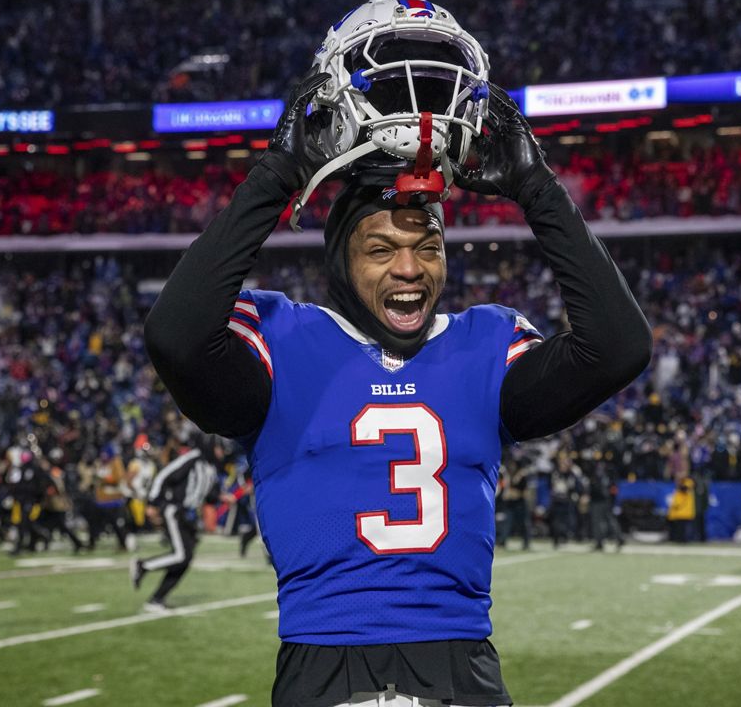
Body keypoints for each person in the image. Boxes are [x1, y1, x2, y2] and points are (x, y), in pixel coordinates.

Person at [145, 73, 651, 707]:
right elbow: (174, 334)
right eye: (381, 247)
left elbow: (619, 347)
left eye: (427, 246)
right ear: (340, 260)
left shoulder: (486, 343)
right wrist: (277, 174)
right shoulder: (281, 338)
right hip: (323, 663)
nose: (409, 268)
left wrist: (537, 189)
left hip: (460, 667)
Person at [130, 444, 217, 611]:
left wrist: (220, 496)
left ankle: (156, 599)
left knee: (185, 560)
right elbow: (164, 475)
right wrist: (153, 503)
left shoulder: (210, 467)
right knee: (181, 555)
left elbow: (208, 495)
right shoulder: (193, 457)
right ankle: (143, 565)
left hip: (189, 518)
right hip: (175, 511)